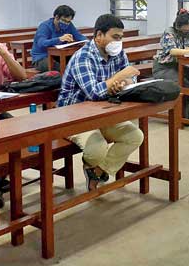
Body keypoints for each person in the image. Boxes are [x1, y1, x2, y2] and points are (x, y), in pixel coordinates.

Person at [58, 13, 142, 191]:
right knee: (97, 149)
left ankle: (97, 171)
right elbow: (94, 92)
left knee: (134, 136)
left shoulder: (117, 54)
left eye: (121, 38)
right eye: (115, 37)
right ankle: (94, 166)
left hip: (102, 113)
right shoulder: (83, 57)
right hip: (73, 117)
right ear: (98, 36)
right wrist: (119, 78)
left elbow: (130, 81)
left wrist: (121, 83)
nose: (119, 42)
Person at [153, 9, 189, 120]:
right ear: (178, 28)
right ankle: (184, 118)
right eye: (184, 31)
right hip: (164, 68)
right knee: (186, 87)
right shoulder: (169, 33)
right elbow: (172, 51)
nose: (187, 33)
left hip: (178, 66)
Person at [31, 5, 87, 72]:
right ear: (56, 17)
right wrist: (59, 39)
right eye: (64, 21)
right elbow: (42, 43)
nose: (66, 23)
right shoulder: (45, 26)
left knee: (79, 63)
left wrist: (86, 42)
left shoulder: (69, 25)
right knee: (62, 69)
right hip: (42, 58)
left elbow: (79, 36)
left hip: (59, 55)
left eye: (68, 21)